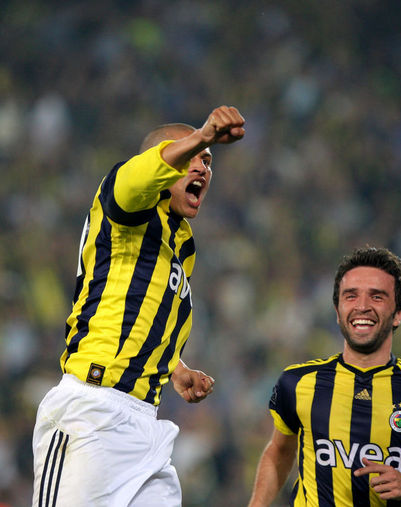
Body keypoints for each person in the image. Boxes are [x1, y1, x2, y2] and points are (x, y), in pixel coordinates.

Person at [32, 105, 245, 506]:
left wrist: (175, 368)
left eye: (208, 161)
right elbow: (139, 176)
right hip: (91, 411)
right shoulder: (126, 198)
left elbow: (132, 308)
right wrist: (202, 135)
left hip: (146, 423)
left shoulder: (181, 243)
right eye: (193, 156)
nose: (203, 167)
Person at [248, 246, 401, 506]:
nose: (362, 306)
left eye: (377, 297)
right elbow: (279, 452)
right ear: (337, 310)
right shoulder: (298, 382)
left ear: (398, 313)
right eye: (351, 296)